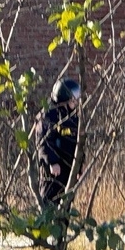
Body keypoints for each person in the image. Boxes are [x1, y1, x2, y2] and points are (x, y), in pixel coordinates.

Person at [36, 77, 83, 207]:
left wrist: (78, 168)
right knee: (49, 205)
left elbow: (78, 144)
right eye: (74, 98)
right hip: (53, 172)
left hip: (69, 170)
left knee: (65, 206)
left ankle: (62, 227)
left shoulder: (73, 118)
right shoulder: (48, 116)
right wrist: (52, 161)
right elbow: (44, 142)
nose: (76, 102)